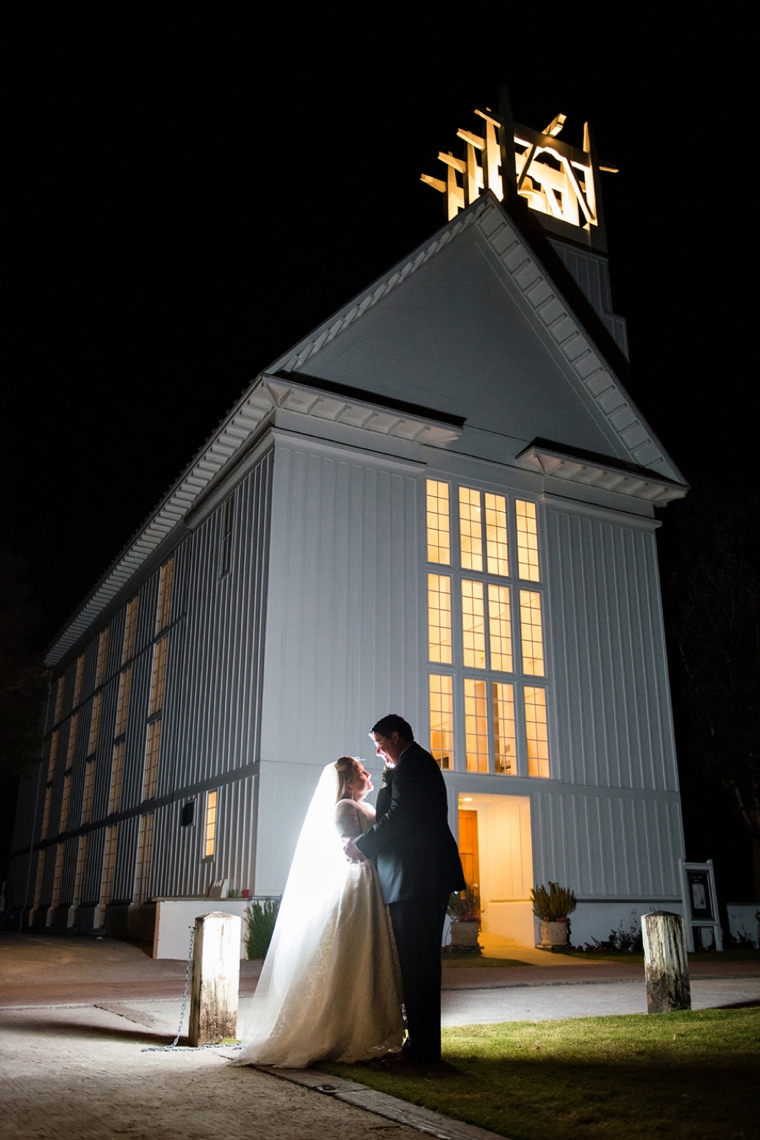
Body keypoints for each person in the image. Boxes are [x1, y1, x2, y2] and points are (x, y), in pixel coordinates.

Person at [237, 756, 404, 1068]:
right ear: (346, 781)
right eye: (359, 771)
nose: (367, 774)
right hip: (361, 880)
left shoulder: (365, 806)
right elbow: (349, 845)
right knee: (354, 949)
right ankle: (340, 1028)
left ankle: (372, 1024)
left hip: (375, 878)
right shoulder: (344, 807)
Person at [344, 714, 465, 1065]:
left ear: (396, 737)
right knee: (416, 965)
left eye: (380, 745)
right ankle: (421, 1046)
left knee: (419, 966)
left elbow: (402, 818)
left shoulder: (414, 765)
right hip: (415, 877)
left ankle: (423, 1050)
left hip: (419, 877)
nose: (379, 753)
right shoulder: (411, 764)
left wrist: (363, 845)